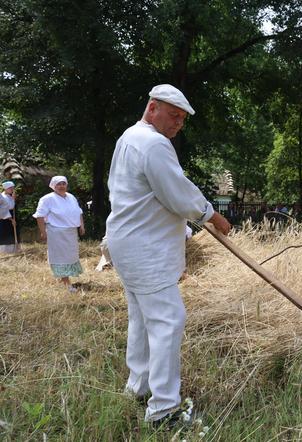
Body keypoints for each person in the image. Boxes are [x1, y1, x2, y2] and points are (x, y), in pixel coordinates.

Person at [106, 84, 231, 427]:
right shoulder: (153, 144)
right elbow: (177, 192)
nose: (178, 124)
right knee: (167, 321)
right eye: (173, 116)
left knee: (143, 318)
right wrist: (212, 214)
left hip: (129, 242)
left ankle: (139, 386)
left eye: (182, 120)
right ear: (152, 108)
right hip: (144, 247)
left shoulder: (129, 137)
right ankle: (163, 410)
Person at [33, 176, 85, 292]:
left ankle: (64, 280)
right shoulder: (47, 199)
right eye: (58, 184)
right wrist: (43, 232)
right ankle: (66, 283)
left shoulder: (71, 197)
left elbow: (79, 212)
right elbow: (40, 216)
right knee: (60, 257)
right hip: (57, 233)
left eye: (63, 183)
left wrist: (81, 225)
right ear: (53, 186)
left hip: (71, 232)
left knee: (70, 256)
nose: (61, 186)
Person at [0, 181, 17, 253]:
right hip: (4, 217)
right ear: (6, 188)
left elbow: (12, 207)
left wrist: (13, 199)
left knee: (12, 233)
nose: (12, 190)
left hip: (11, 215)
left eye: (13, 188)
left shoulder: (10, 196)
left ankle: (13, 250)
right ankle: (4, 251)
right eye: (11, 188)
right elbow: (2, 209)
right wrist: (11, 219)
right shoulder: (1, 197)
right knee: (5, 233)